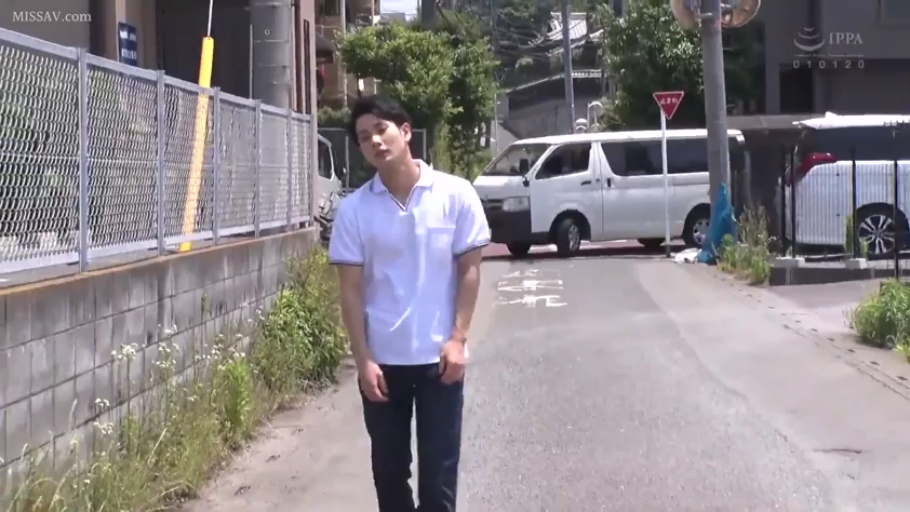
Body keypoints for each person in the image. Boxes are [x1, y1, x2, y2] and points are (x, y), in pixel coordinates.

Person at [327, 94, 490, 512]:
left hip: (440, 361)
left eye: (381, 129)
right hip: (383, 365)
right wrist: (363, 359)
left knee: (438, 483)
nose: (374, 141)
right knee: (390, 478)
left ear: (404, 131)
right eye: (364, 136)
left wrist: (458, 339)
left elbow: (469, 270)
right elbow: (350, 290)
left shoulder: (455, 194)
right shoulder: (354, 210)